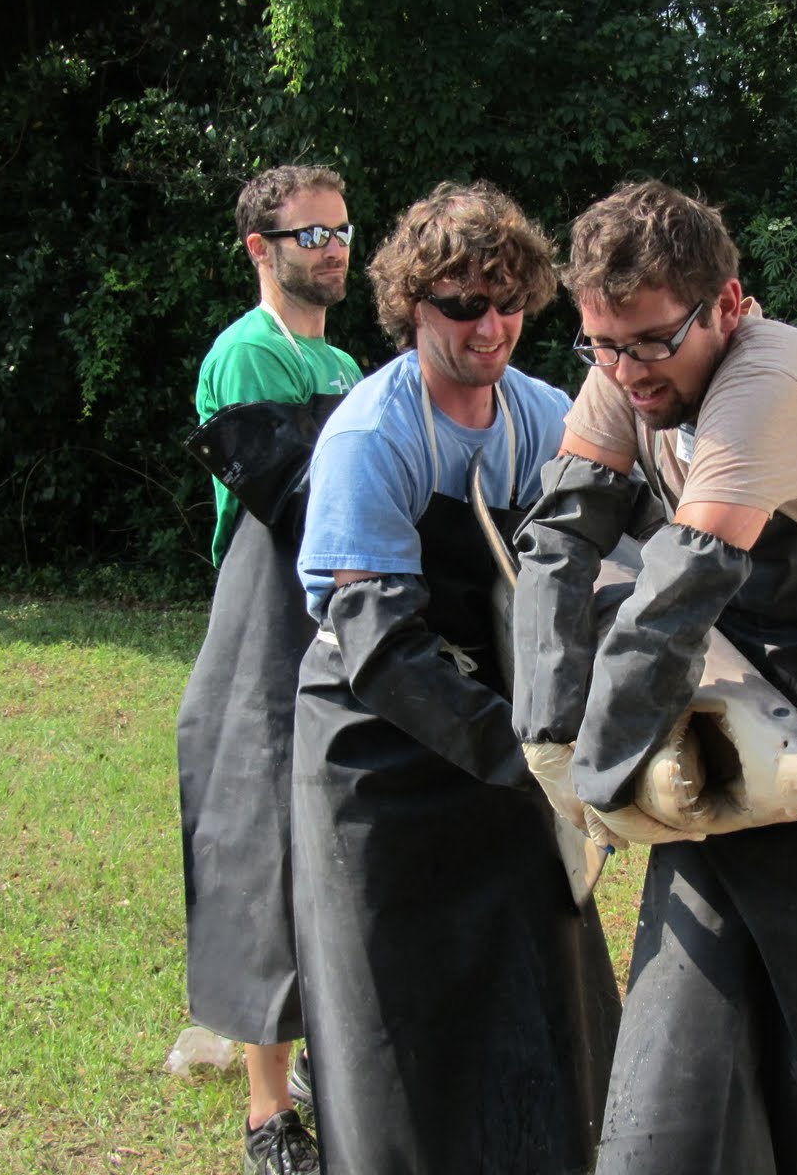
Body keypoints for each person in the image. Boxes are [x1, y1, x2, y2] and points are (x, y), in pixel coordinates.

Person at [511, 180, 797, 1174]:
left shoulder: (770, 383)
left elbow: (677, 589)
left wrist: (597, 784)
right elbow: (558, 543)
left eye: (647, 343)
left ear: (726, 304)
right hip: (748, 731)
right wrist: (547, 736)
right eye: (599, 343)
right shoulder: (624, 368)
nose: (625, 372)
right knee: (681, 1058)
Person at [290, 181, 622, 1174]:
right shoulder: (370, 436)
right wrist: (528, 760)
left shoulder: (548, 414)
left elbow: (609, 564)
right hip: (378, 753)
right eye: (462, 304)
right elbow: (384, 650)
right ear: (412, 308)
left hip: (507, 738)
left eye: (509, 299)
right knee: (398, 1018)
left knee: (539, 985)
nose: (491, 325)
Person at [176, 164, 360, 1175]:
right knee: (263, 855)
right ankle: (265, 1118)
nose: (331, 248)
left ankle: (345, 1080)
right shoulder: (247, 356)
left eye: (339, 231)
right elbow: (289, 505)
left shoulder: (347, 364)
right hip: (265, 626)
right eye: (308, 236)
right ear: (261, 249)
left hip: (338, 623)